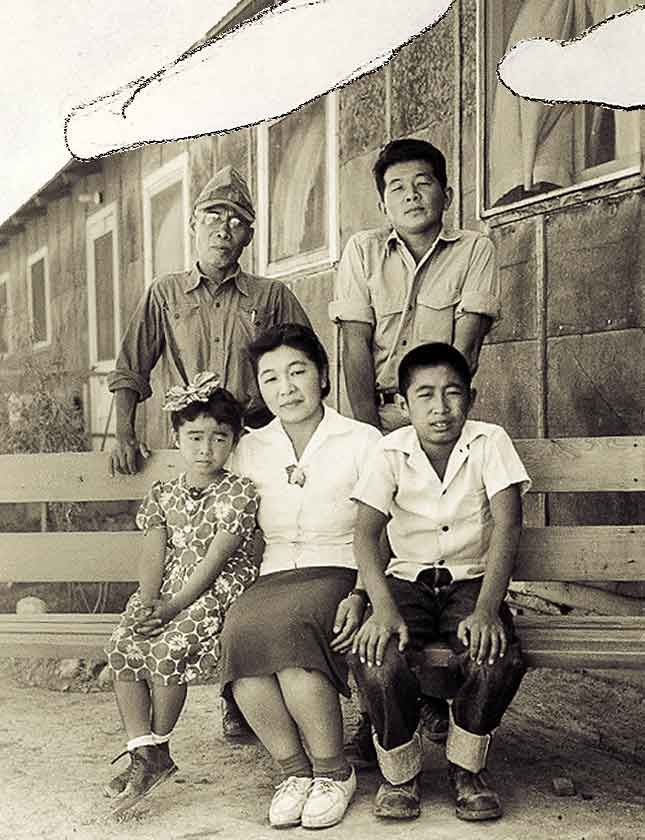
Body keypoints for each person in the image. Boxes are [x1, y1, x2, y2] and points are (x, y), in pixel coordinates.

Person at [348, 342, 530, 822]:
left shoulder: (490, 442)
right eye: (424, 395)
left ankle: (466, 767)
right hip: (406, 581)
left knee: (497, 655)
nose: (440, 407)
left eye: (452, 393)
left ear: (470, 397)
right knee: (376, 655)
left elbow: (508, 525)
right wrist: (382, 608)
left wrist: (488, 609)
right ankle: (400, 772)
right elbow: (365, 534)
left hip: (471, 582)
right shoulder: (389, 451)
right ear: (403, 404)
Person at [218, 323, 382, 830]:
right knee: (240, 641)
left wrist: (363, 592)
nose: (285, 388)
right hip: (270, 577)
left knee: (292, 646)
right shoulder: (249, 448)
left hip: (338, 570)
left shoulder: (362, 440)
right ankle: (293, 771)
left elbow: (383, 528)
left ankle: (334, 773)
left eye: (297, 372)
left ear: (323, 376)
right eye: (270, 378)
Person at [103, 373, 259, 814]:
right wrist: (149, 602)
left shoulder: (239, 492)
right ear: (177, 437)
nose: (205, 449)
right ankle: (146, 754)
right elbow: (153, 553)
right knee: (124, 645)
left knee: (169, 650)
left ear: (234, 441)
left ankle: (157, 748)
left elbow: (214, 562)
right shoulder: (163, 493)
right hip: (166, 590)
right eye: (194, 437)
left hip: (214, 590)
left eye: (218, 438)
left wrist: (172, 608)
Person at [108, 164, 311, 476]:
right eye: (213, 217)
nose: (223, 230)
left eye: (236, 222)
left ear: (249, 236)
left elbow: (306, 368)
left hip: (255, 443)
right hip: (188, 446)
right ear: (193, 225)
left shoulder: (272, 295)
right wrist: (124, 436)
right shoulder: (165, 293)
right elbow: (130, 369)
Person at [329, 137, 500, 434]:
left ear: (447, 196)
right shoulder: (361, 250)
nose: (411, 195)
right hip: (379, 415)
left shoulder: (475, 249)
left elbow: (467, 350)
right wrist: (370, 434)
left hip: (442, 417)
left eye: (423, 183)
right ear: (383, 206)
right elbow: (354, 346)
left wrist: (435, 427)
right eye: (397, 187)